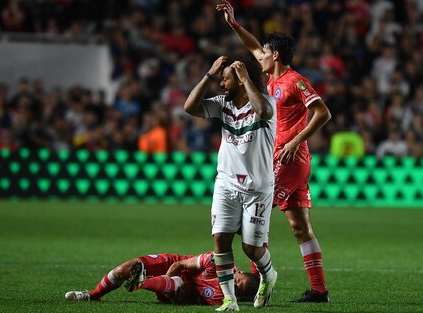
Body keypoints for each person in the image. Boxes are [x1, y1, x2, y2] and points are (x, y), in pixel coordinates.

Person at [217, 1, 332, 303]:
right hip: (286, 159)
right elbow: (253, 45)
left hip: (289, 158)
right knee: (300, 227)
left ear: (276, 55)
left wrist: (295, 141)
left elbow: (322, 113)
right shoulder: (272, 79)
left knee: (248, 222)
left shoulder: (294, 81)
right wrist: (233, 23)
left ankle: (261, 281)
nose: (260, 57)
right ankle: (319, 290)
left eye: (265, 54)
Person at [184, 55, 277, 311]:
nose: (222, 84)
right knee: (220, 240)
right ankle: (229, 300)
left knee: (251, 248)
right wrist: (208, 74)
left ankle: (269, 275)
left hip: (257, 190)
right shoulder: (222, 103)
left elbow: (264, 112)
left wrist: (247, 78)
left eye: (225, 79)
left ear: (239, 79)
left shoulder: (266, 102)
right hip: (226, 184)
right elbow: (189, 107)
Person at [64, 251, 259, 306]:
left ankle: (141, 281)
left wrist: (171, 295)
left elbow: (186, 301)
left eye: (237, 289)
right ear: (238, 271)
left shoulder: (219, 298)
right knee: (123, 270)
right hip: (171, 265)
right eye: (238, 280)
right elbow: (179, 266)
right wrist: (162, 281)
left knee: (178, 285)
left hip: (177, 290)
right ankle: (93, 295)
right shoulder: (217, 261)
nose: (233, 284)